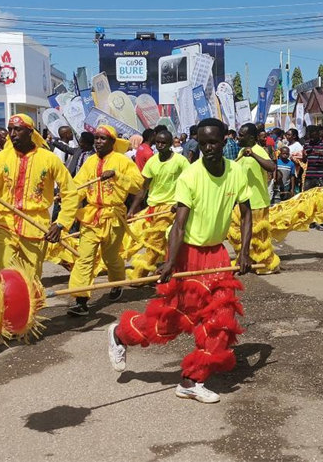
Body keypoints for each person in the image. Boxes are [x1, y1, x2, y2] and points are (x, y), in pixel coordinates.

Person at [107, 118, 253, 404]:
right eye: (202, 143)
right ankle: (122, 334)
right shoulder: (190, 176)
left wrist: (244, 251)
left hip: (218, 255)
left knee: (222, 321)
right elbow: (179, 225)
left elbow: (247, 213)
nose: (208, 148)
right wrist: (171, 262)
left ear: (225, 141)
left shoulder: (237, 172)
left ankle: (192, 380)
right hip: (188, 254)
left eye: (214, 142)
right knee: (174, 321)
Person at [0, 114, 79, 355]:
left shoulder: (49, 159)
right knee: (1, 281)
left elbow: (71, 193)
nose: (13, 134)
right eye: (10, 129)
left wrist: (60, 224)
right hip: (4, 226)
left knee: (30, 281)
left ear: (31, 132)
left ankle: (23, 322)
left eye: (18, 129)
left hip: (35, 227)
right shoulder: (0, 158)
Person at [67, 125, 144, 316]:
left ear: (112, 142)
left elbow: (138, 185)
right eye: (96, 138)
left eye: (103, 139)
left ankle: (117, 281)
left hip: (113, 217)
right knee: (84, 258)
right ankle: (81, 299)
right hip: (91, 216)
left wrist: (117, 175)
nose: (98, 142)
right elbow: (79, 186)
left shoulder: (122, 161)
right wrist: (68, 197)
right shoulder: (90, 162)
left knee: (110, 257)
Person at [126, 129, 190, 280]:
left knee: (155, 241)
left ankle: (139, 277)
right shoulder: (152, 162)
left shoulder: (180, 161)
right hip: (153, 208)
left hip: (170, 207)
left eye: (164, 143)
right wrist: (132, 209)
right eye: (158, 142)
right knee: (143, 239)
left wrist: (180, 202)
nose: (160, 145)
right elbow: (143, 189)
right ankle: (162, 269)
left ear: (170, 145)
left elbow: (190, 182)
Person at [229, 123, 279, 273]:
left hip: (257, 201)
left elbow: (271, 167)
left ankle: (265, 264)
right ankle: (246, 259)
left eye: (242, 135)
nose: (238, 137)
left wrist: (254, 155)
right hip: (242, 200)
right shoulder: (242, 151)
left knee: (259, 236)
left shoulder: (258, 150)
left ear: (251, 138)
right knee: (238, 232)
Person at [303, 125, 323, 230]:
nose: (312, 137)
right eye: (310, 135)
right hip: (309, 174)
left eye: (313, 135)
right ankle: (310, 220)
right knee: (308, 198)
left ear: (318, 134)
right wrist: (305, 155)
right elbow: (304, 159)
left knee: (320, 199)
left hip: (320, 174)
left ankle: (319, 221)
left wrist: (322, 154)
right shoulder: (307, 143)